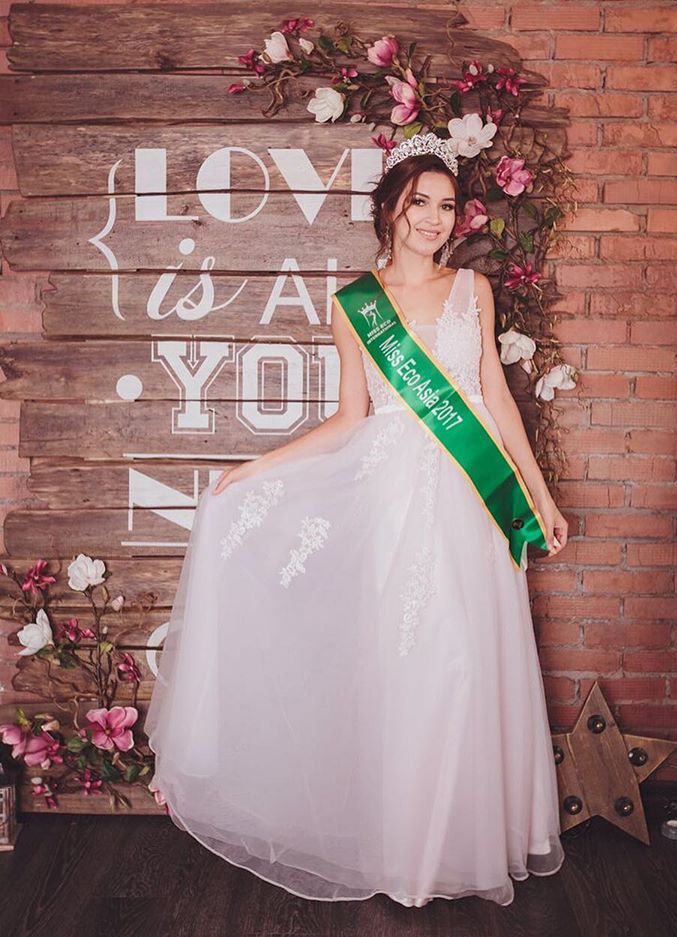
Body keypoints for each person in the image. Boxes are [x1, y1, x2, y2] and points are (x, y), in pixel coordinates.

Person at [144, 131, 569, 908]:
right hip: (395, 496)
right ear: (389, 209)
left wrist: (539, 494)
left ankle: (463, 842)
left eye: (447, 206)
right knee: (411, 666)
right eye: (419, 203)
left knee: (468, 662)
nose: (434, 219)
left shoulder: (473, 290)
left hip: (474, 497)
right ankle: (409, 856)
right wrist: (256, 469)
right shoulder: (355, 305)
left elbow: (495, 397)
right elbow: (349, 419)